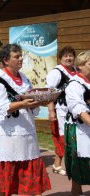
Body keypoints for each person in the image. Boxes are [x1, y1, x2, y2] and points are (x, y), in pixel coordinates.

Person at [0, 44, 51, 195]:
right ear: (6, 60)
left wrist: (39, 102)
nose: (20, 59)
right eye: (16, 56)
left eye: (21, 56)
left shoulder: (24, 78)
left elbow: (30, 100)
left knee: (29, 175)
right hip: (8, 134)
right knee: (6, 178)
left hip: (26, 131)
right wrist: (21, 104)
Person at [46, 46, 77, 175]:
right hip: (62, 109)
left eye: (71, 56)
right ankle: (71, 167)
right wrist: (51, 111)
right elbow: (49, 93)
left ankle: (57, 164)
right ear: (60, 58)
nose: (68, 58)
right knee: (64, 137)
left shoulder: (76, 70)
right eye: (65, 56)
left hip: (75, 109)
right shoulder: (57, 72)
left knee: (72, 137)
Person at [64, 51, 90, 196]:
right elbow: (79, 109)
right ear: (80, 66)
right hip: (79, 128)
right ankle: (76, 192)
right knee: (78, 165)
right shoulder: (74, 85)